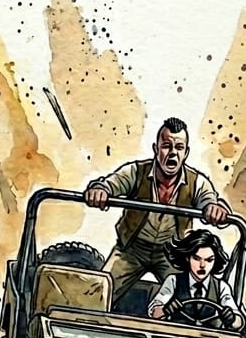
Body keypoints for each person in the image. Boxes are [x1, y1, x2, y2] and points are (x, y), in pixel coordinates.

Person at [84, 117, 232, 306]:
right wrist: (99, 190)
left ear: (186, 153)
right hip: (131, 251)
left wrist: (215, 208)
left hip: (171, 253)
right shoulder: (136, 172)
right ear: (156, 149)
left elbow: (209, 200)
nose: (172, 153)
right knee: (97, 295)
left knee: (190, 304)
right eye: (166, 146)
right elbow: (110, 184)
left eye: (179, 148)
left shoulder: (197, 182)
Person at [148, 230, 244, 330]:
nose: (202, 265)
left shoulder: (221, 287)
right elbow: (154, 313)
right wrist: (166, 310)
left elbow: (239, 322)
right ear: (187, 258)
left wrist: (232, 318)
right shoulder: (173, 281)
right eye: (197, 259)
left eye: (209, 260)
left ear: (215, 260)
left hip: (209, 337)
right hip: (176, 335)